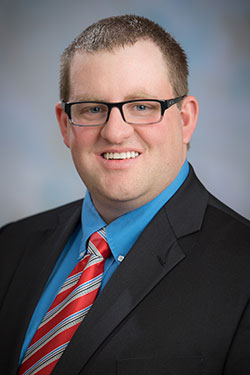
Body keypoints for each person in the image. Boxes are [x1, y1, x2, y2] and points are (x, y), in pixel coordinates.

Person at [0, 15, 250, 375]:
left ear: (185, 120)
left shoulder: (244, 271)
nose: (115, 133)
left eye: (142, 106)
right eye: (93, 109)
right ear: (65, 125)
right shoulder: (11, 245)